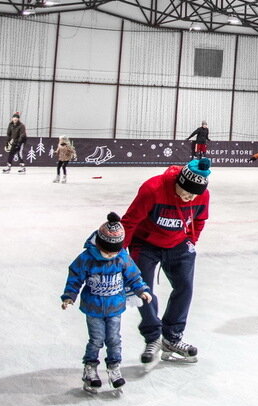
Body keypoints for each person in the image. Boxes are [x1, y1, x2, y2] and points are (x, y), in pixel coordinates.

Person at [121, 158, 211, 364]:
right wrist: (120, 254)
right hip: (145, 243)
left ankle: (172, 337)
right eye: (186, 192)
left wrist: (191, 241)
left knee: (185, 287)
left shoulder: (202, 194)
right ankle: (153, 336)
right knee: (143, 289)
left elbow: (200, 219)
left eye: (194, 194)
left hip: (179, 242)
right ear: (178, 182)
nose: (190, 198)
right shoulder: (153, 188)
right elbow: (130, 220)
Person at [60, 212, 152, 393]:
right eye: (107, 250)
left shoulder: (122, 257)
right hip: (93, 308)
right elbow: (75, 277)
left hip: (115, 307)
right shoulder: (86, 258)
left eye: (114, 251)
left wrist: (142, 290)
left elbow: (133, 275)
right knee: (96, 340)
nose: (110, 255)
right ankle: (90, 369)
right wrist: (69, 296)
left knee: (114, 339)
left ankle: (114, 368)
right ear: (99, 244)